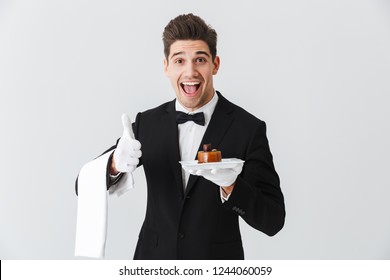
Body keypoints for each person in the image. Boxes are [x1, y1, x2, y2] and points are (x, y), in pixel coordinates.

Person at [75, 13, 285, 260]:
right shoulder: (147, 123)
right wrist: (114, 164)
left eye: (200, 59)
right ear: (166, 66)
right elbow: (83, 185)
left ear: (215, 64)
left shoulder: (248, 128)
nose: (190, 72)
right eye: (179, 61)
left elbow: (273, 220)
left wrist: (232, 185)